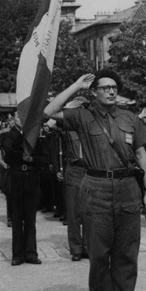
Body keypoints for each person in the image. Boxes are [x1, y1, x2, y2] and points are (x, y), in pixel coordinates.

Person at [44, 70, 146, 291]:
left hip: (128, 188)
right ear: (94, 92)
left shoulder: (129, 118)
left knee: (127, 254)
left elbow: (141, 154)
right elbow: (49, 111)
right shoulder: (83, 116)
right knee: (99, 254)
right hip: (96, 187)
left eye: (114, 87)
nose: (111, 91)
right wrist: (76, 85)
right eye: (105, 88)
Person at [0, 110, 48, 266]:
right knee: (17, 218)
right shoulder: (8, 135)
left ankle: (31, 253)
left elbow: (44, 159)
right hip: (16, 177)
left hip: (32, 178)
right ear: (13, 119)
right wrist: (23, 134)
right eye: (19, 116)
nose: (22, 119)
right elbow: (9, 152)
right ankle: (17, 254)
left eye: (24, 115)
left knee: (30, 219)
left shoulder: (35, 136)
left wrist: (32, 159)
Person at [62, 96, 90, 261]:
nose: (82, 111)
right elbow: (49, 122)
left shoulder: (91, 126)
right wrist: (68, 106)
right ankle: (76, 249)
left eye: (84, 108)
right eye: (79, 108)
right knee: (73, 213)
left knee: (89, 211)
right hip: (74, 170)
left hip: (89, 170)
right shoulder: (68, 127)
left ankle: (87, 247)